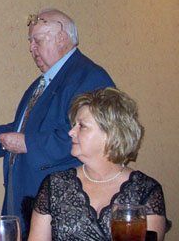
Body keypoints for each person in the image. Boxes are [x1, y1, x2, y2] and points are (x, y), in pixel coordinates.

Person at [0, 8, 115, 238]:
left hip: (60, 201)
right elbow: (29, 129)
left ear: (62, 37)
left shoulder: (89, 76)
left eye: (37, 40)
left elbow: (92, 139)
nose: (31, 48)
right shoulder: (42, 81)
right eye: (30, 41)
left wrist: (28, 144)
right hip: (27, 195)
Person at [28, 87, 168, 241]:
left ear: (110, 134)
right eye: (74, 125)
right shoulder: (55, 185)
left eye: (82, 126)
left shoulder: (145, 190)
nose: (71, 132)